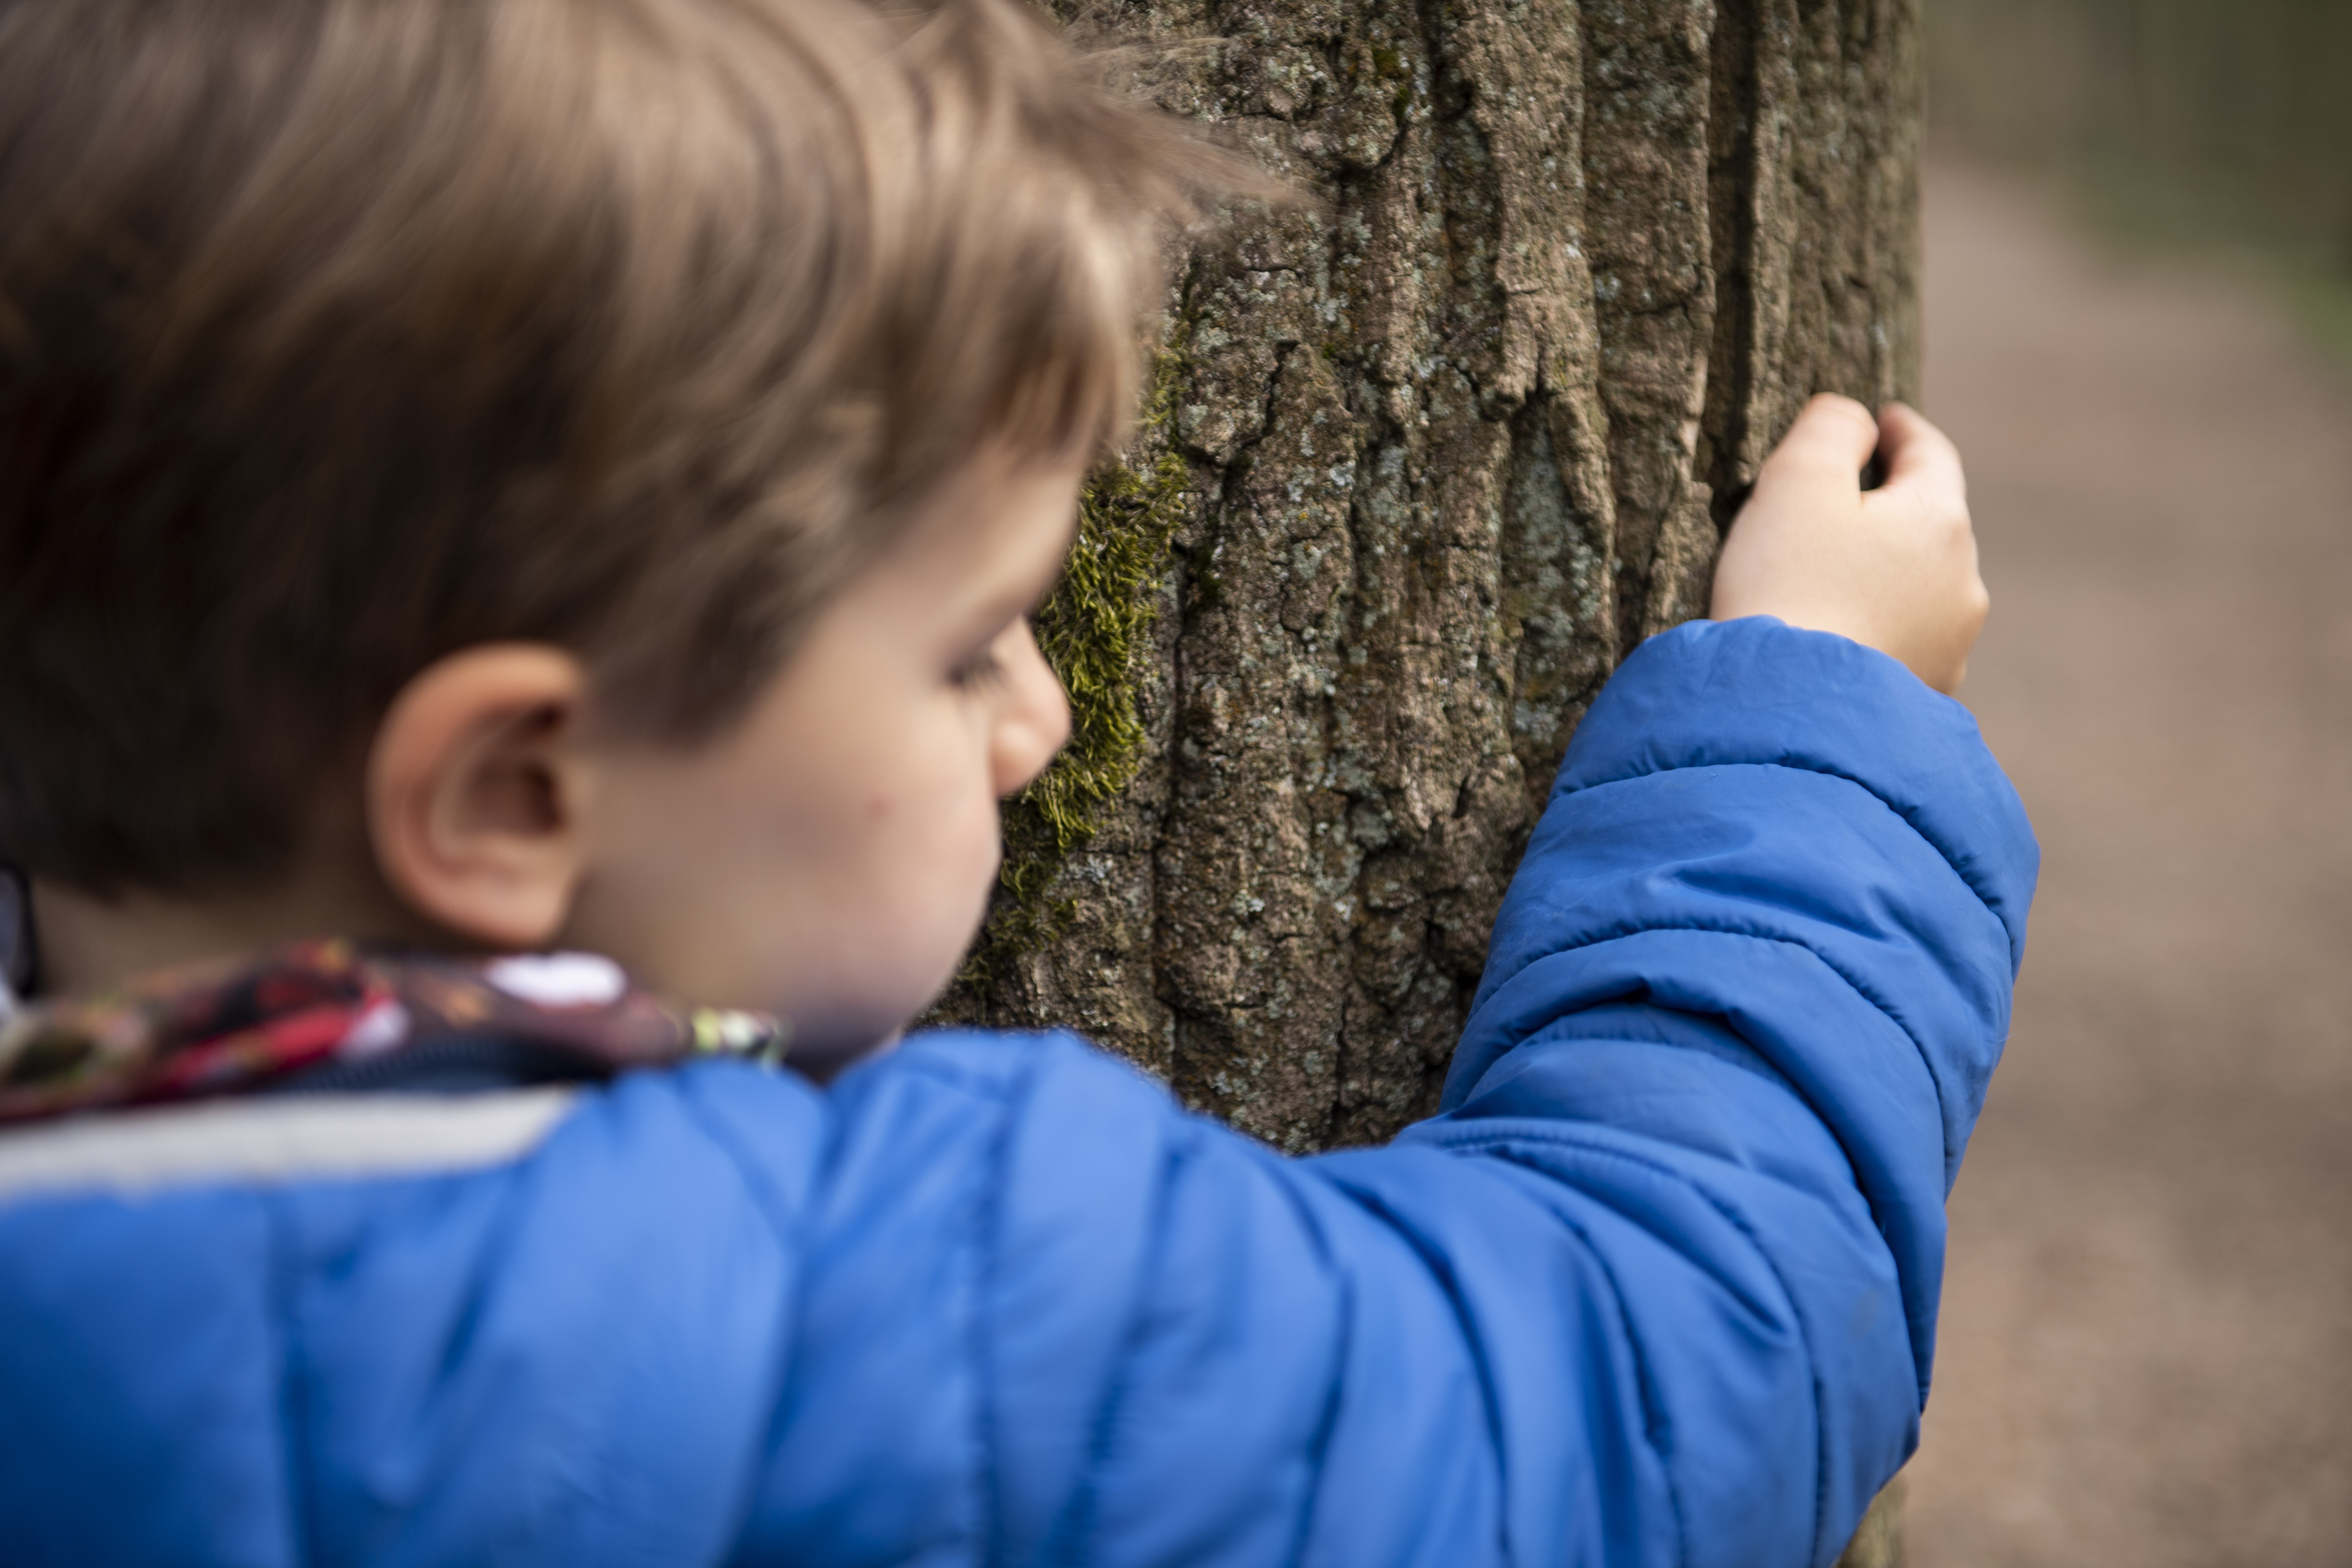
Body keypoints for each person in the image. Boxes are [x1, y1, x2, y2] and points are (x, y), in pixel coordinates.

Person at [0, 0, 2034, 1562]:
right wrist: (1809, 730)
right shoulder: (919, 1318)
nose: (1041, 717)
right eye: (966, 638)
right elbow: (1627, 1397)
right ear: (518, 794)